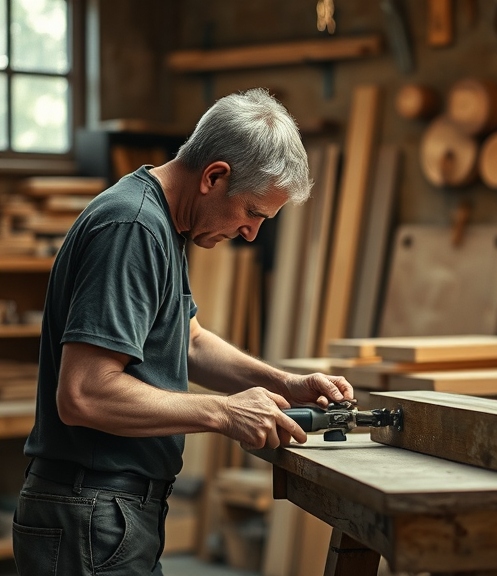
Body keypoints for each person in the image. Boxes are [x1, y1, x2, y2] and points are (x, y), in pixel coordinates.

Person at [12, 88, 353, 575]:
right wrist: (223, 412)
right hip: (91, 511)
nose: (252, 233)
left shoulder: (160, 225)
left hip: (106, 511)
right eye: (253, 212)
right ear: (215, 176)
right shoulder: (132, 227)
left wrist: (286, 384)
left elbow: (188, 340)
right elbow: (84, 393)